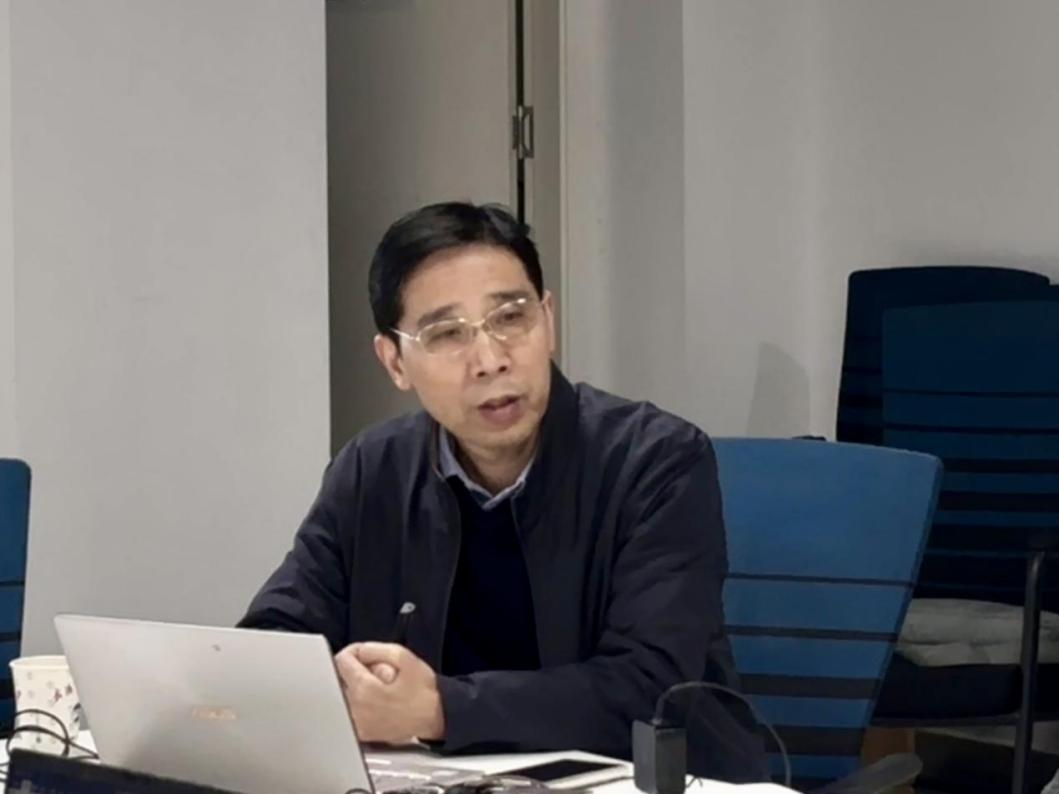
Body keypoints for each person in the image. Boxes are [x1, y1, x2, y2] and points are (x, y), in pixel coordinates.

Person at [239, 202, 766, 782]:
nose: (490, 361)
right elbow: (275, 642)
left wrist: (440, 708)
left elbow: (649, 688)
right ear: (394, 361)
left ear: (549, 320)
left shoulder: (656, 461)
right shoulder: (372, 469)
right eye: (447, 334)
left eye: (511, 318)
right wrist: (338, 686)